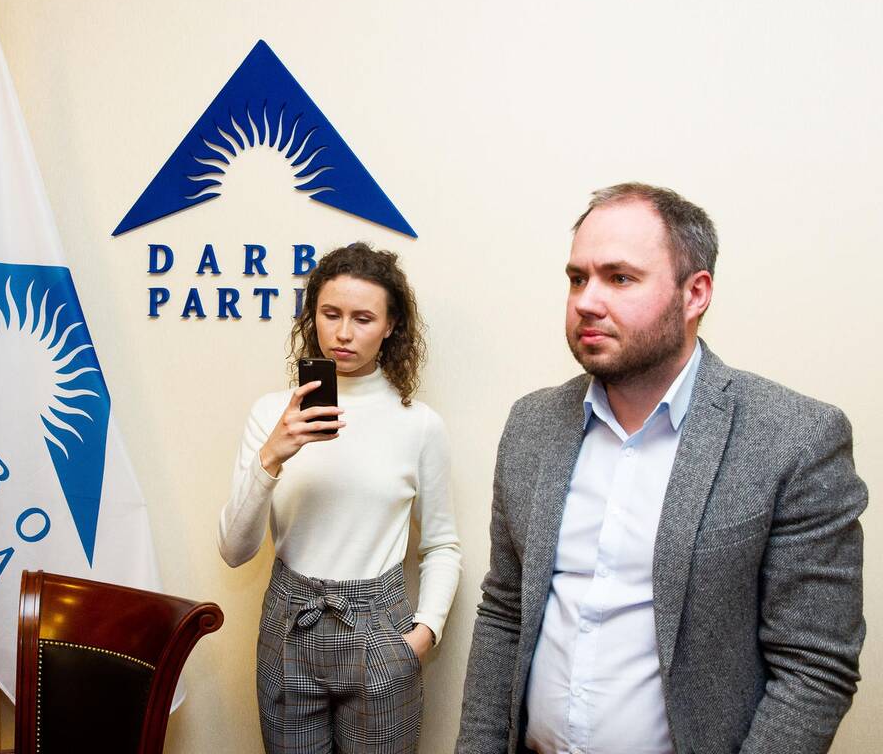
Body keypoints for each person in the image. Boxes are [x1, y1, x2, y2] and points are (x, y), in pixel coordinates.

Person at [456, 183, 867, 754]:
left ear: (695, 293)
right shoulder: (532, 424)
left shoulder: (795, 439)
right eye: (577, 278)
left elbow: (814, 668)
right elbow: (505, 610)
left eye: (620, 278)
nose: (587, 302)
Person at [219, 241, 461, 754]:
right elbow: (235, 552)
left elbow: (442, 544)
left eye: (363, 318)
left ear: (391, 326)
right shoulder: (271, 413)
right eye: (331, 314)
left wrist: (423, 635)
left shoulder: (418, 425)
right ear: (312, 316)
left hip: (381, 630)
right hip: (289, 622)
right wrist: (272, 455)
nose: (344, 333)